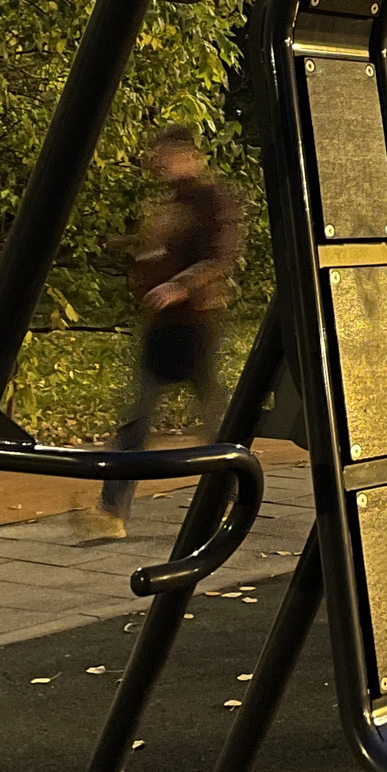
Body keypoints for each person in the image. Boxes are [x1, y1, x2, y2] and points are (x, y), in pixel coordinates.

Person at [77, 127, 240, 542]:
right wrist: (131, 252)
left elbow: (221, 257)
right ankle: (112, 511)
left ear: (191, 155)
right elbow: (155, 252)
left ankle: (231, 498)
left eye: (168, 155)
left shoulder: (214, 200)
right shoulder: (165, 203)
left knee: (214, 421)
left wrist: (181, 286)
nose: (161, 163)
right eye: (159, 156)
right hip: (160, 325)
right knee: (136, 418)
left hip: (197, 324)